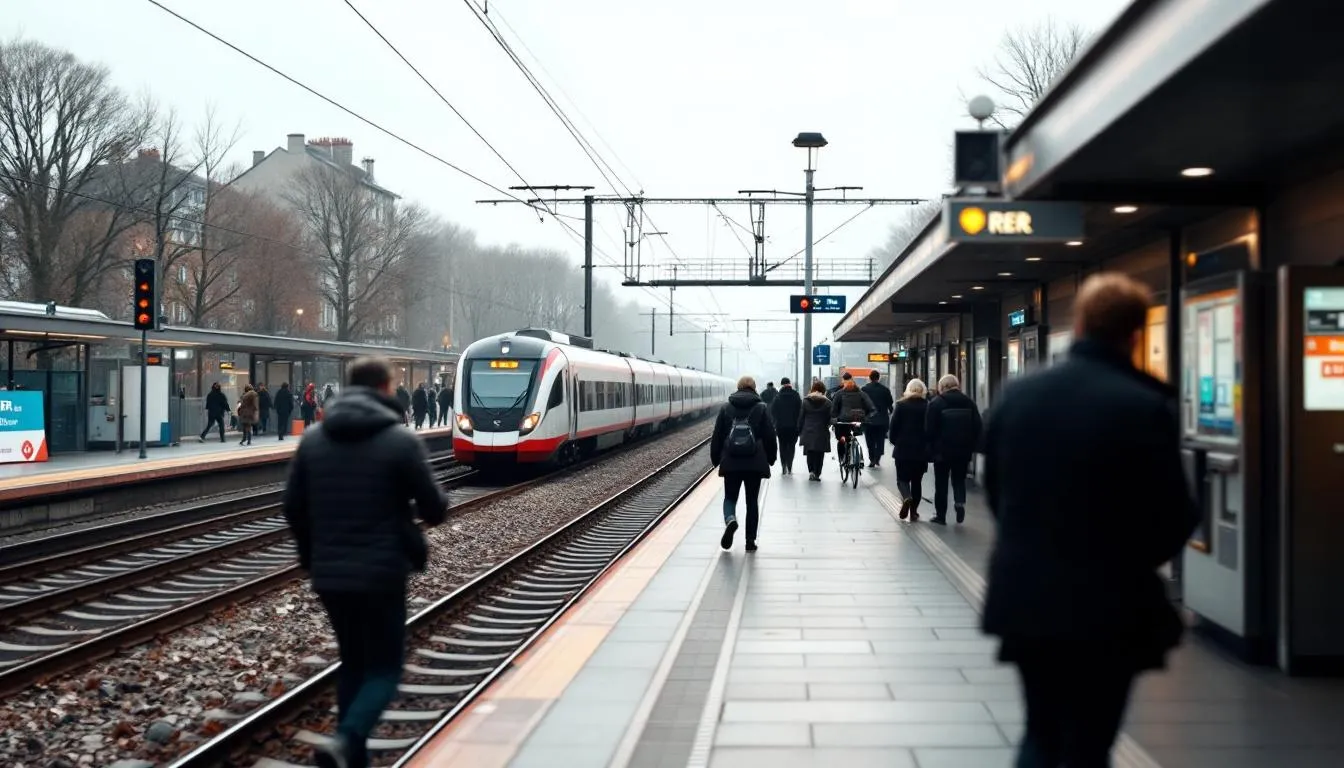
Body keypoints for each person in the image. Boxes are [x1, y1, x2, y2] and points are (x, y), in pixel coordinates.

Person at [982, 273, 1197, 767]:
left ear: (1078, 323)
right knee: (1089, 742)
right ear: (1136, 332)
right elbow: (1174, 514)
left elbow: (998, 492)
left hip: (1027, 593)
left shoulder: (1019, 394)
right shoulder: (1143, 404)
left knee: (1040, 732)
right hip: (1110, 602)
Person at [283, 356, 449, 768]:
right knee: (383, 668)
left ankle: (350, 760)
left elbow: (292, 506)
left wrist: (311, 552)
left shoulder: (314, 440)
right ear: (385, 389)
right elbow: (435, 508)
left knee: (353, 662)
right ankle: (347, 739)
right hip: (382, 571)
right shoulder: (400, 440)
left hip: (330, 575)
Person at [709, 376, 776, 552]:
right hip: (754, 462)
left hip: (731, 461)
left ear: (738, 387)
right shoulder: (761, 408)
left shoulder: (726, 407)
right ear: (754, 388)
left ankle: (730, 519)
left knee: (730, 497)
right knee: (752, 501)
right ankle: (750, 541)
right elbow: (770, 435)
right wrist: (771, 457)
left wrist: (716, 459)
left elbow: (716, 437)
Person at [925, 374, 982, 525]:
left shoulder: (936, 403)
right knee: (959, 479)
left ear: (942, 387)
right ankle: (959, 503)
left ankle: (941, 515)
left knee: (941, 483)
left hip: (941, 451)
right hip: (963, 450)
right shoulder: (968, 402)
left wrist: (930, 447)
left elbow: (929, 429)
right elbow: (977, 426)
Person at [888, 378, 930, 521]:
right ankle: (914, 512)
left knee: (902, 479)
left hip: (903, 449)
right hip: (921, 450)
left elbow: (893, 428)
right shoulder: (928, 406)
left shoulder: (901, 405)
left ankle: (906, 497)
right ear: (923, 390)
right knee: (917, 481)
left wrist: (894, 441)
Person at [830, 372, 875, 473]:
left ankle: (842, 460)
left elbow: (833, 410)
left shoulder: (839, 393)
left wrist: (834, 420)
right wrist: (866, 418)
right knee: (854, 438)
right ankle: (860, 459)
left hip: (843, 422)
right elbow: (872, 408)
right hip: (857, 422)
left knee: (841, 439)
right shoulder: (861, 393)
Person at [796, 381, 833, 481]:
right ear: (823, 390)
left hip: (808, 430)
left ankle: (811, 471)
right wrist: (827, 425)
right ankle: (817, 473)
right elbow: (829, 418)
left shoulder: (805, 401)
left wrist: (799, 430)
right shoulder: (828, 403)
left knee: (810, 452)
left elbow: (801, 417)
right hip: (821, 431)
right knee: (820, 454)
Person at [768, 377, 802, 475]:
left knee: (782, 446)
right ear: (789, 384)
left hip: (781, 426)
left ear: (782, 385)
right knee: (791, 446)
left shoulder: (778, 396)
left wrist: (776, 421)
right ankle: (790, 465)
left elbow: (773, 411)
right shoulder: (796, 395)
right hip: (793, 426)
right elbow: (800, 410)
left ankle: (783, 465)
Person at [861, 370, 894, 468]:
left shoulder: (864, 389)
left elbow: (861, 403)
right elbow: (890, 404)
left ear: (870, 378)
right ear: (878, 378)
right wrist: (890, 411)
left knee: (869, 440)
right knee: (880, 439)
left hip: (869, 420)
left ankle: (872, 458)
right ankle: (877, 458)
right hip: (882, 420)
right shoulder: (885, 390)